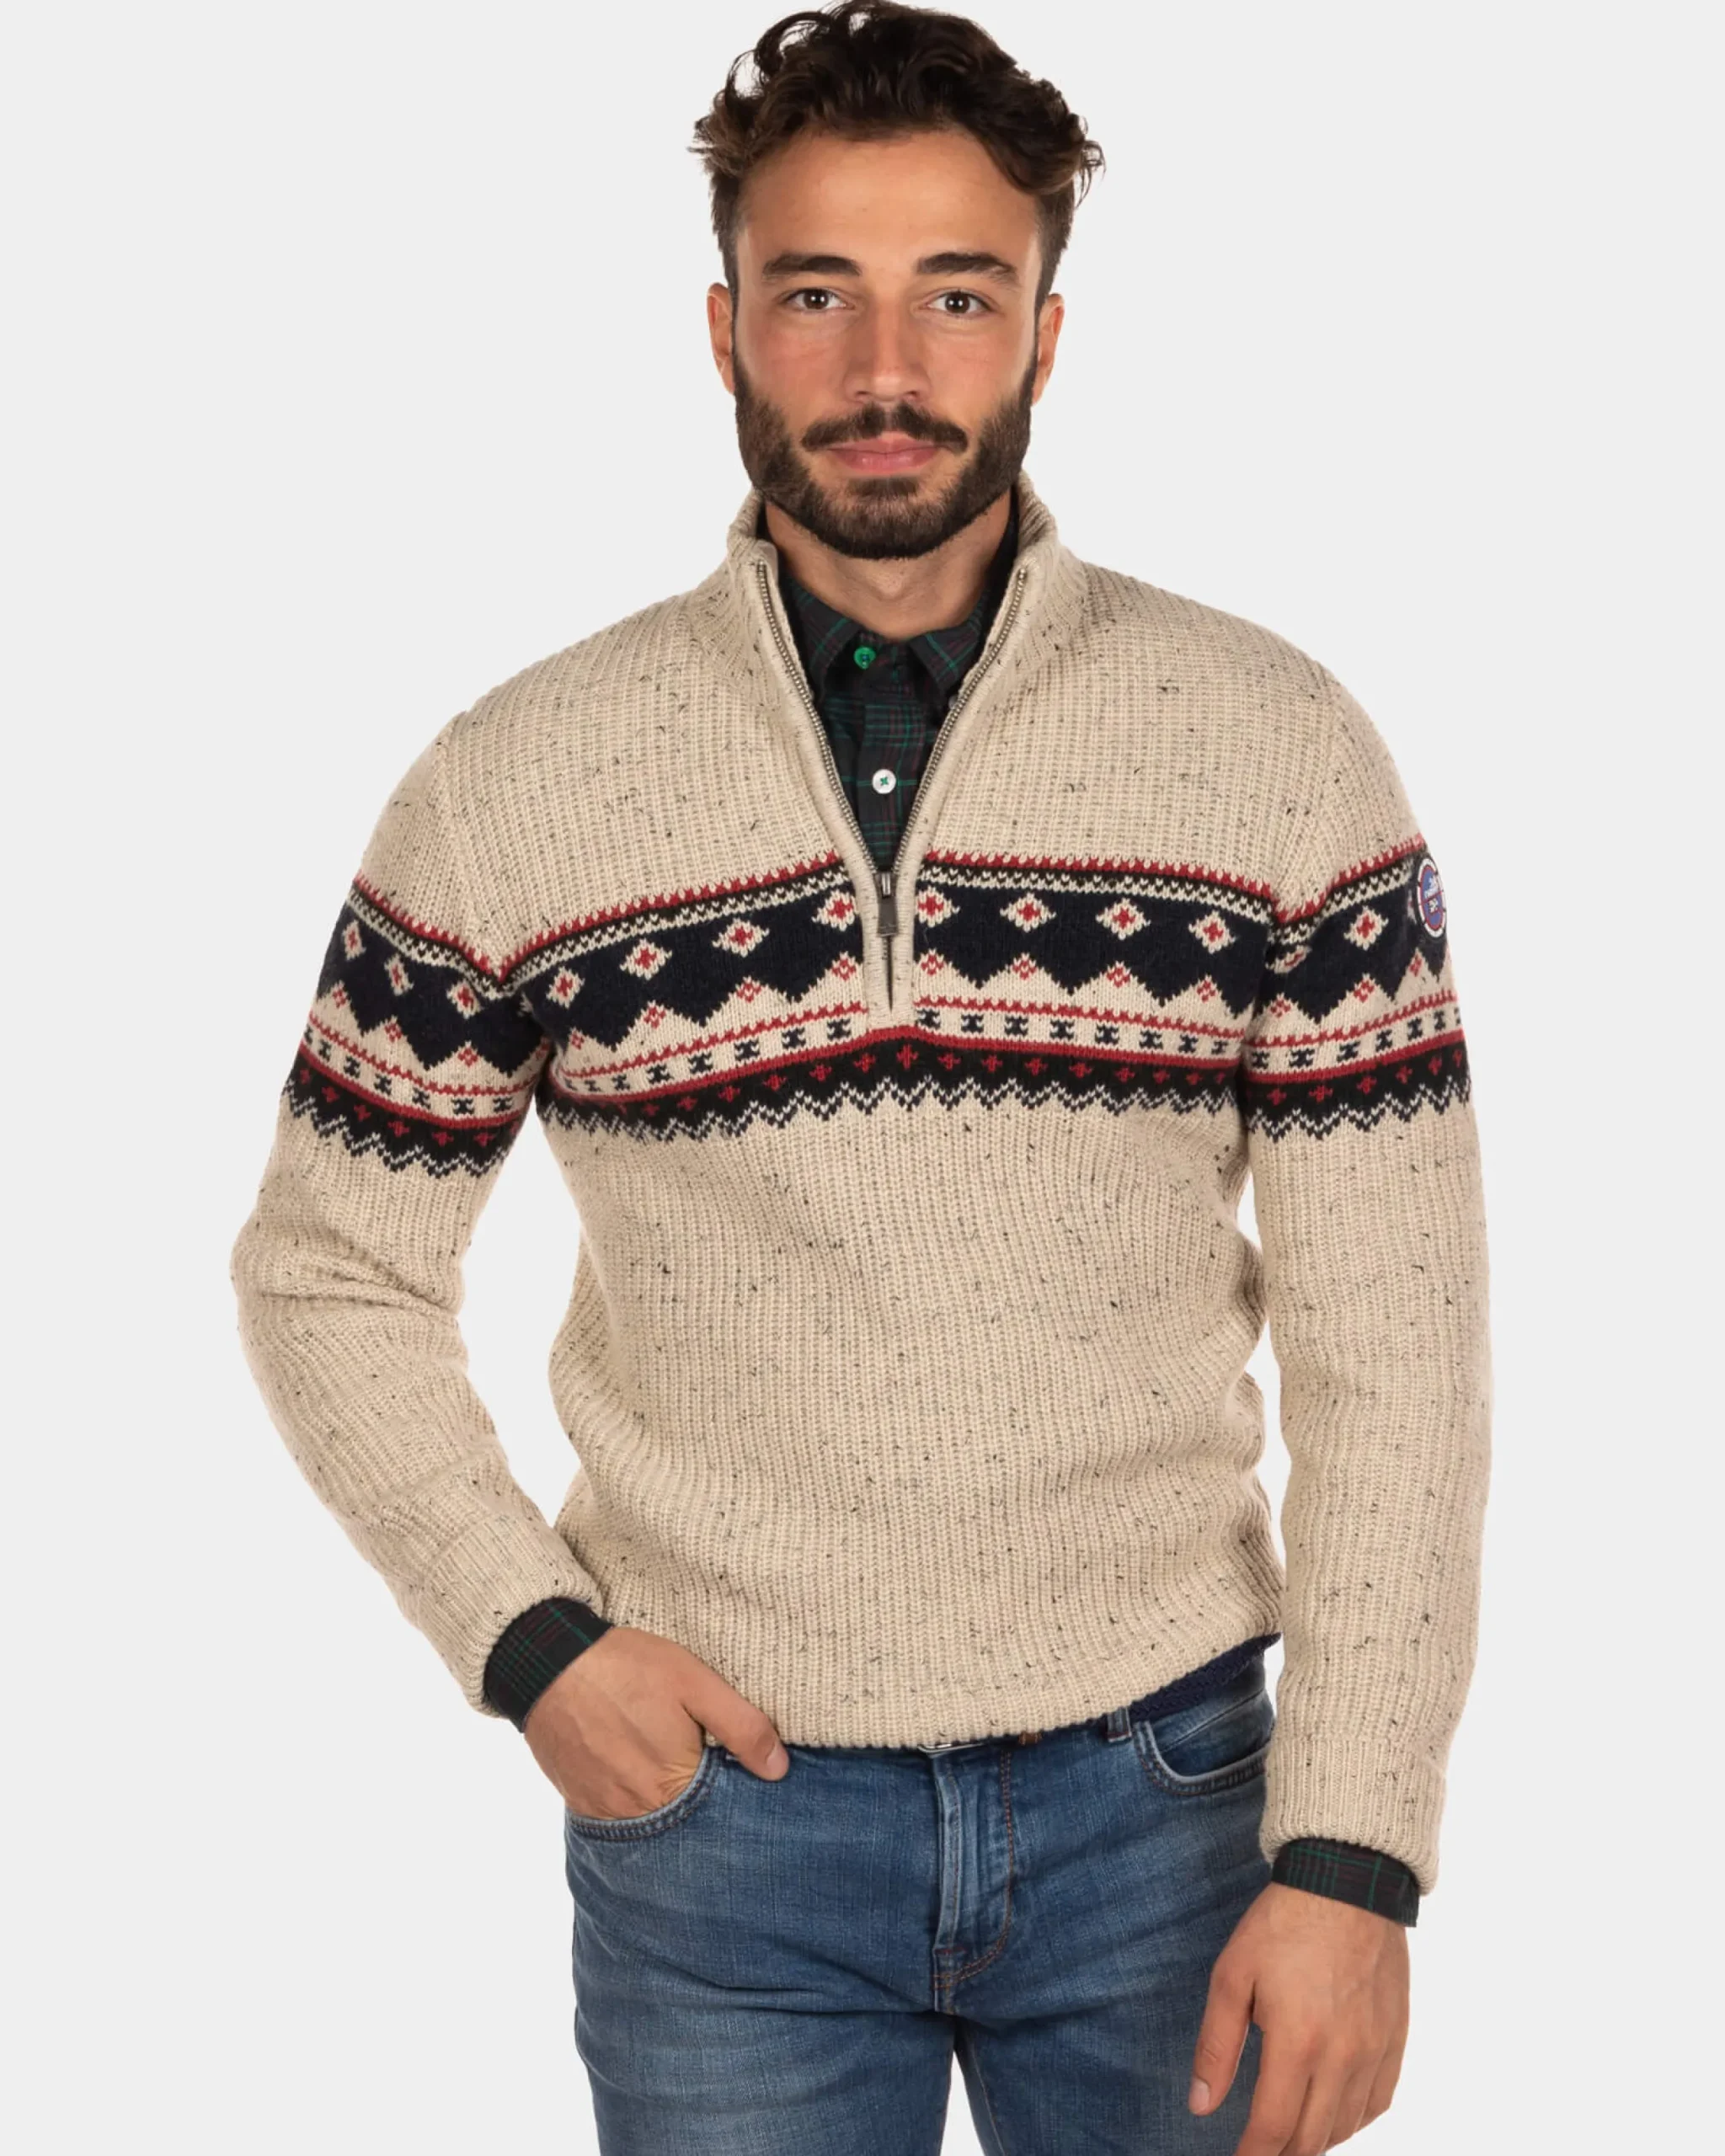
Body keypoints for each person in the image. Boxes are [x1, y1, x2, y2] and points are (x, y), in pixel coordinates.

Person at [228, 4, 1492, 2149]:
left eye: (956, 295)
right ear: (723, 325)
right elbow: (327, 1261)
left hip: (1173, 1799)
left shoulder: (1272, 749)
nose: (886, 366)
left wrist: (1355, 1850)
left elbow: (1402, 1337)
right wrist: (531, 1643)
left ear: (1046, 335)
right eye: (817, 293)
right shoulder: (516, 781)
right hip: (725, 1821)